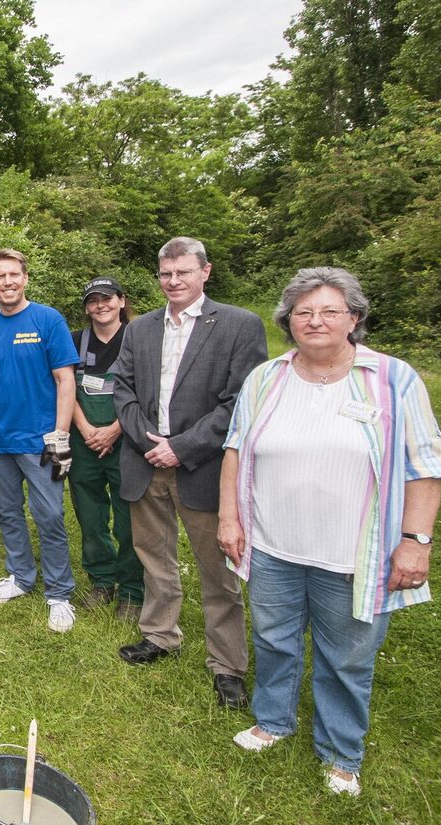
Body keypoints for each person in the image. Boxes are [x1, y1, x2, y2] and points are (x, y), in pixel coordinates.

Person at [218, 267, 441, 796]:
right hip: (274, 542)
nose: (315, 321)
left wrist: (416, 543)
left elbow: (427, 464)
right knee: (274, 639)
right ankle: (273, 721)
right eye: (303, 312)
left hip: (352, 551)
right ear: (288, 321)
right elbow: (235, 448)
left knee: (346, 657)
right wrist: (230, 518)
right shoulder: (267, 377)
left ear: (355, 319)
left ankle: (341, 753)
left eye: (329, 311)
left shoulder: (392, 379)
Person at [111, 236, 266, 709]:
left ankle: (227, 665)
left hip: (203, 465)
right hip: (145, 461)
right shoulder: (140, 328)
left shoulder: (239, 325)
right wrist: (146, 442)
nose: (173, 281)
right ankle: (160, 635)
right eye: (165, 274)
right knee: (154, 555)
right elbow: (122, 387)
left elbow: (239, 401)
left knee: (217, 571)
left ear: (205, 271)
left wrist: (180, 447)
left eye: (183, 272)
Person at [0, 249, 80, 632]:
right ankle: (20, 576)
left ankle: (59, 593)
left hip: (40, 441)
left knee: (49, 516)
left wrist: (61, 434)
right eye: (0, 276)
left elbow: (66, 381)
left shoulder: (48, 320)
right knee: (9, 512)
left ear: (25, 278)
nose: (8, 282)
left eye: (14, 274)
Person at [70, 277, 144, 621]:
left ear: (121, 300)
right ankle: (102, 581)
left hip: (126, 440)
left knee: (129, 518)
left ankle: (132, 591)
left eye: (107, 299)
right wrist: (85, 429)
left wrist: (115, 430)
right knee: (90, 514)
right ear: (87, 307)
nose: (101, 305)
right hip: (84, 440)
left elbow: (148, 393)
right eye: (93, 300)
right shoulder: (75, 342)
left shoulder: (139, 339)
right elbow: (65, 386)